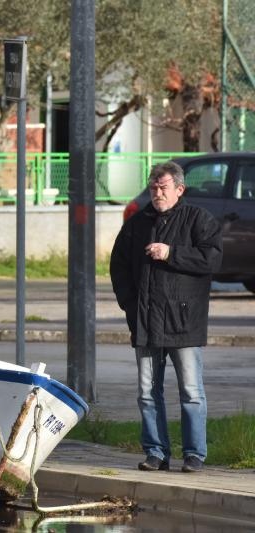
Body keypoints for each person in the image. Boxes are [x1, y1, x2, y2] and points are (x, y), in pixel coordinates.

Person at [110, 161, 222, 473]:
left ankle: (194, 455)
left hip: (184, 322)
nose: (157, 193)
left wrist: (171, 253)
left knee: (191, 392)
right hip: (145, 321)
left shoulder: (198, 219)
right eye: (153, 188)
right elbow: (118, 265)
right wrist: (130, 305)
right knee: (147, 393)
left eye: (163, 188)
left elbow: (211, 259)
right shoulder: (136, 223)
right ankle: (156, 452)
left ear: (179, 190)